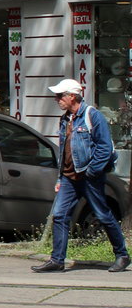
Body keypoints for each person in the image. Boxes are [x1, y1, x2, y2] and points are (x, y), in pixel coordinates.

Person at [32, 78, 130, 273]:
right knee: (59, 216)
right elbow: (64, 151)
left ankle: (122, 255)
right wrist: (60, 178)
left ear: (72, 96)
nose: (57, 99)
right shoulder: (65, 119)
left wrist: (92, 171)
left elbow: (104, 148)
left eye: (60, 96)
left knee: (103, 214)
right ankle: (57, 260)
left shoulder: (92, 116)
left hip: (89, 177)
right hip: (69, 177)